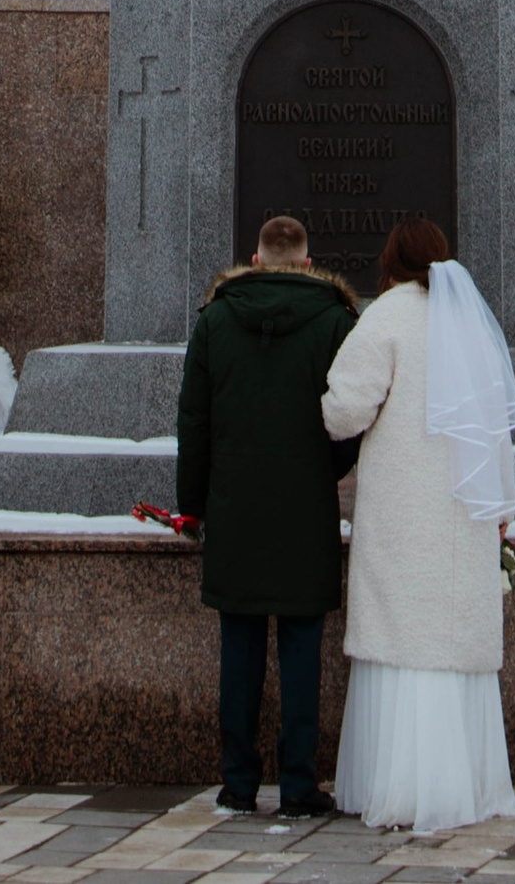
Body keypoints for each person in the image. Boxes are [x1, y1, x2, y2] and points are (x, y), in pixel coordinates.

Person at [318, 214, 515, 836]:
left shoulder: (387, 316)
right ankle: (468, 786)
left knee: (405, 640)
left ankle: (403, 789)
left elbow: (343, 412)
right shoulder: (469, 326)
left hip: (406, 512)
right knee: (448, 641)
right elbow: (495, 432)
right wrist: (500, 515)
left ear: (392, 259)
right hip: (462, 515)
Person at [175, 210, 359, 817]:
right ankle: (300, 784)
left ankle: (239, 782)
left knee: (241, 648)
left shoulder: (216, 321)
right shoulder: (336, 321)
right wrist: (321, 474)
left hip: (234, 509)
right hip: (305, 508)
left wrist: (192, 507)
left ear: (254, 261)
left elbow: (194, 422)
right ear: (307, 264)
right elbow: (347, 425)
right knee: (303, 650)